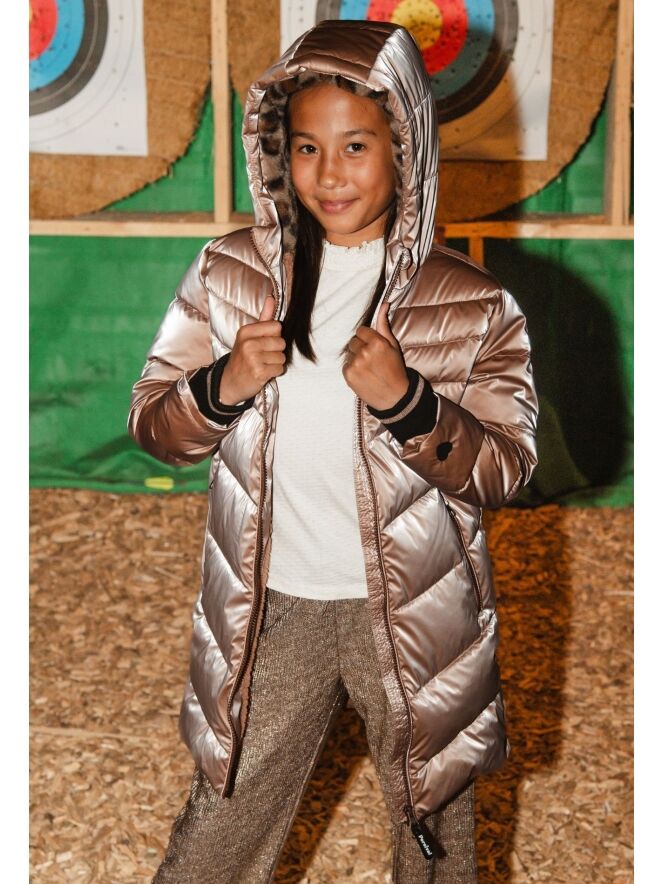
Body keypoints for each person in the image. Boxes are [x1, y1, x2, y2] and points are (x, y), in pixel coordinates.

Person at [128, 18, 538, 884]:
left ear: (405, 149)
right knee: (222, 815)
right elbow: (156, 429)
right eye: (307, 147)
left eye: (356, 146)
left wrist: (409, 404)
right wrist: (222, 384)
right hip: (273, 602)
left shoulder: (471, 304)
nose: (328, 173)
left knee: (431, 816)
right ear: (279, 152)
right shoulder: (230, 274)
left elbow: (505, 468)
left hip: (415, 611)